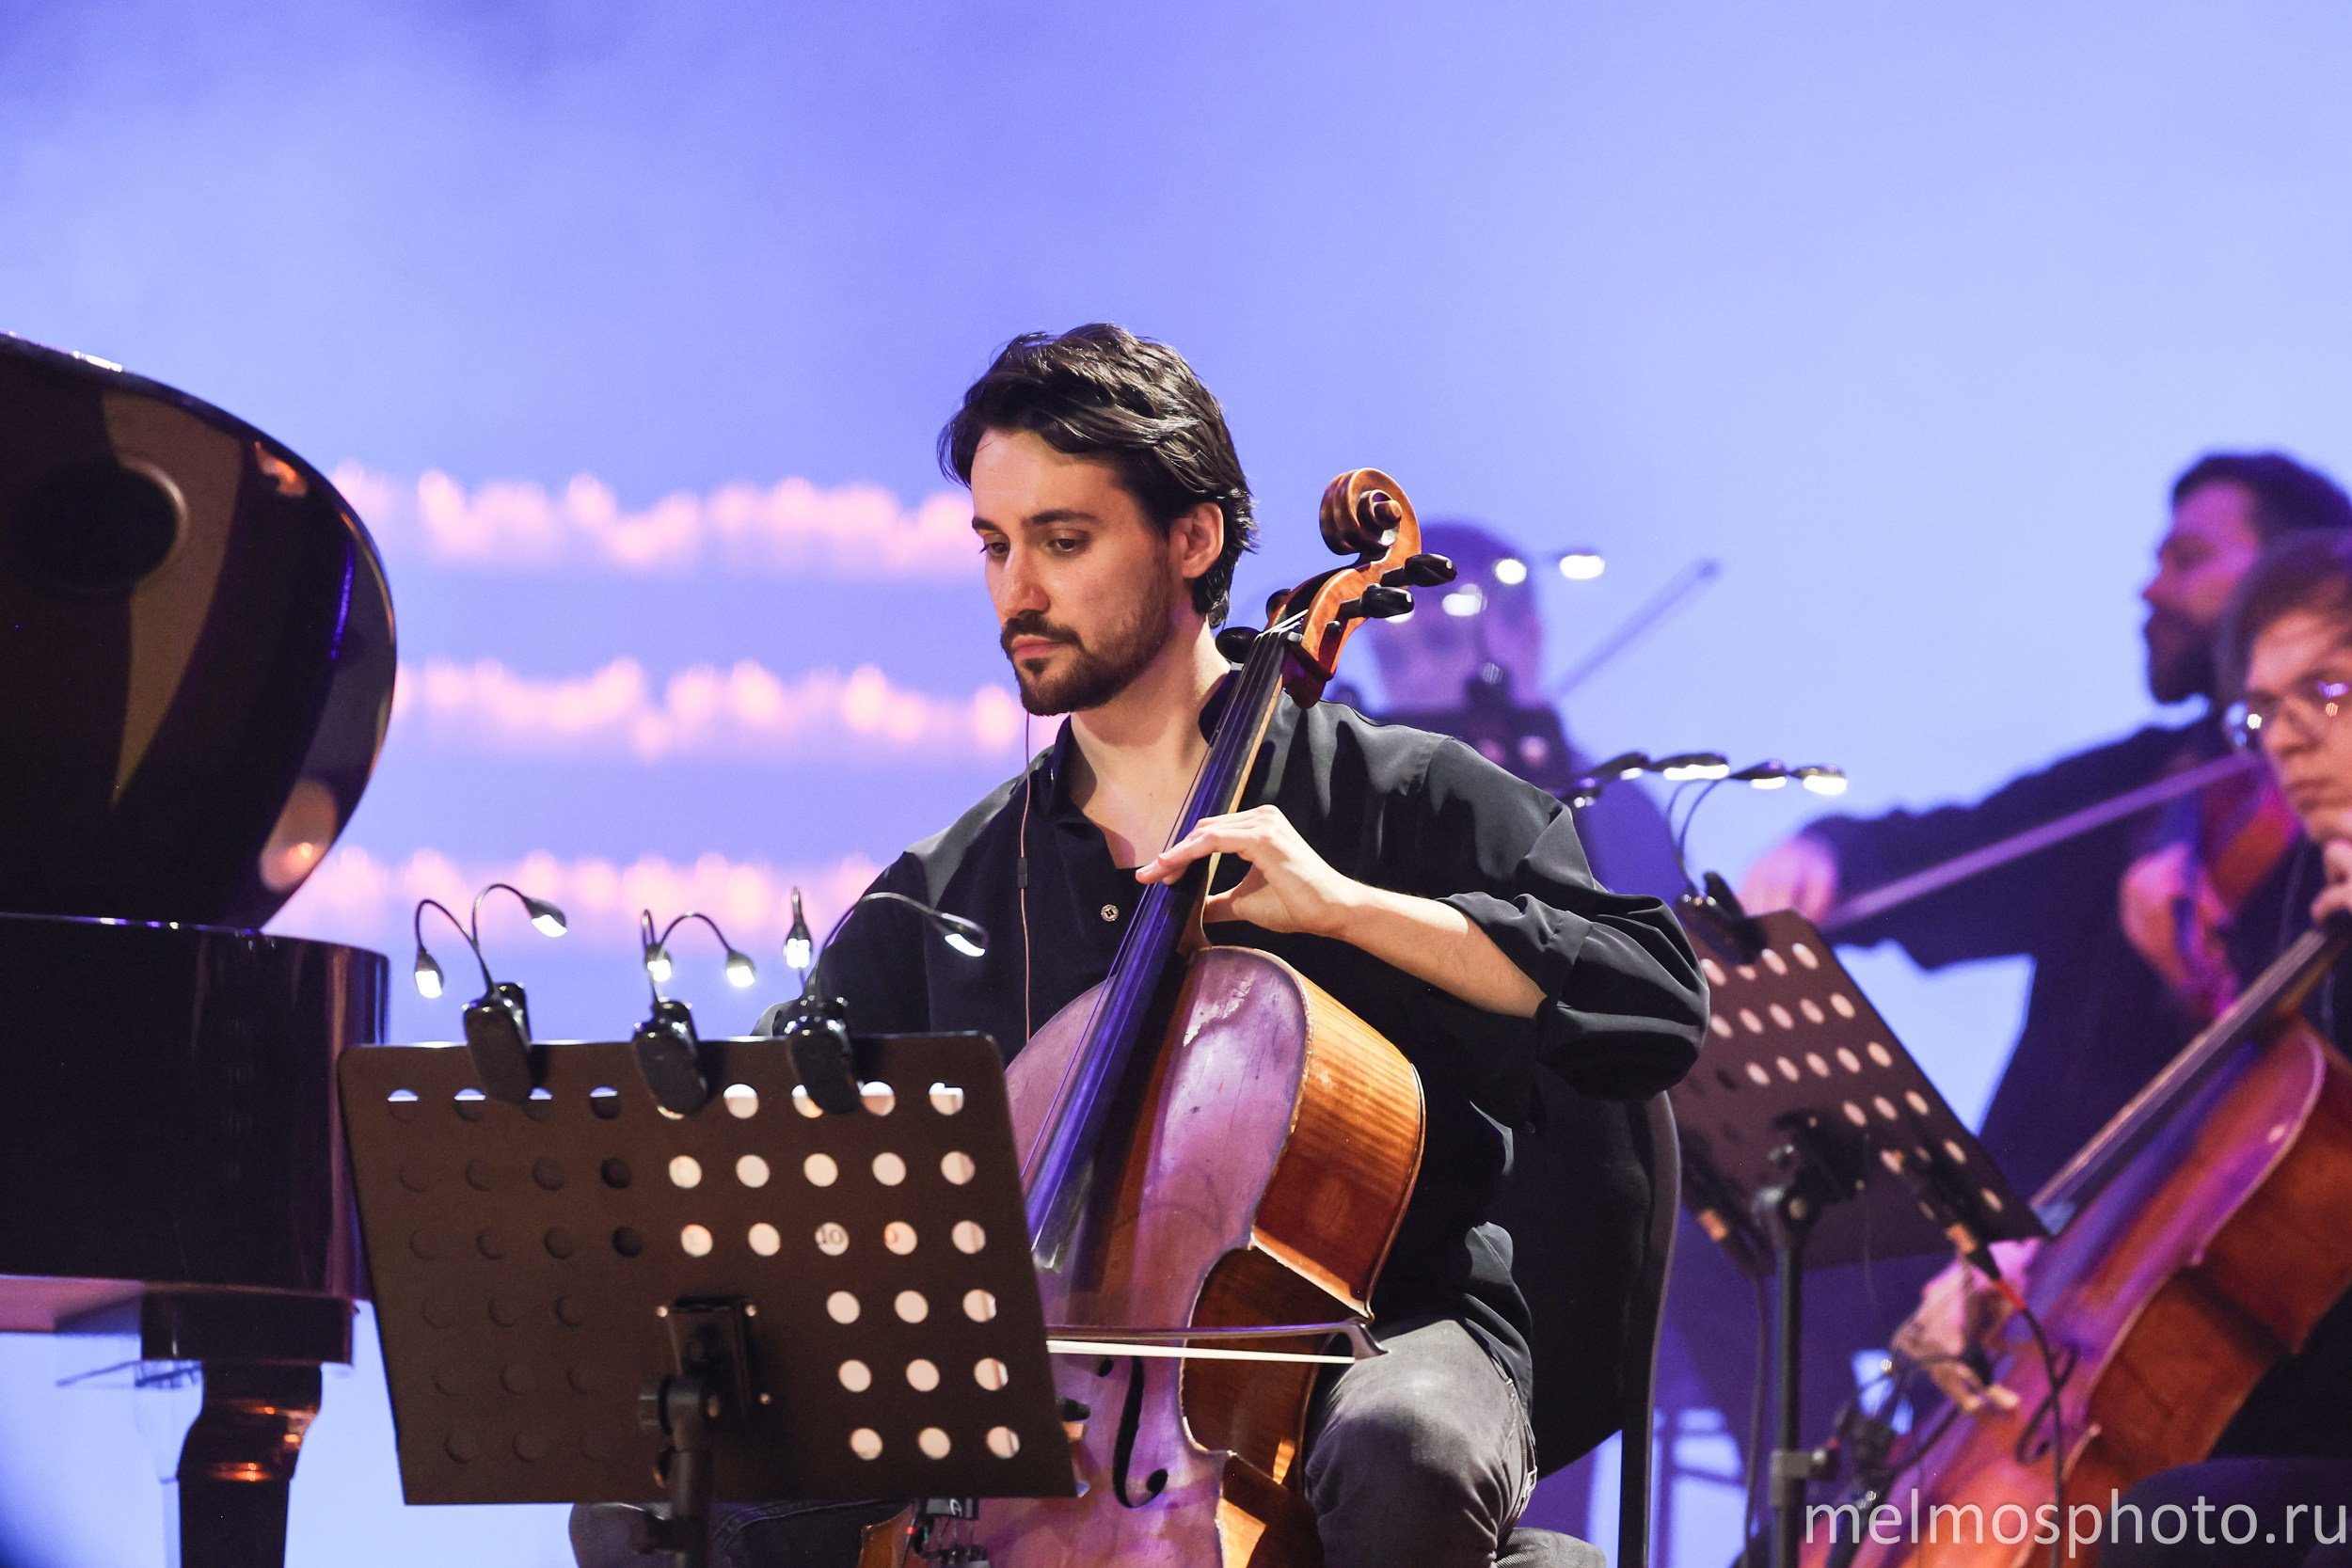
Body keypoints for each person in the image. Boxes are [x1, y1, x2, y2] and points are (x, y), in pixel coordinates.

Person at [579, 325, 1709, 1568]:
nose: (1019, 588)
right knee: (648, 1506)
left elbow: (1652, 995)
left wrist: (1343, 905)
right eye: (995, 546)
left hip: (1379, 1336)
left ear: (1193, 539)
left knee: (1409, 1448)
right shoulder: (940, 892)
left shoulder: (1400, 795)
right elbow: (798, 1171)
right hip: (1043, 1385)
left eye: (1063, 540)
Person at [1904, 528, 2352, 1566]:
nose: (2285, 737)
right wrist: (2022, 1256)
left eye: (2324, 692)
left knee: (2161, 1529)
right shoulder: (2305, 930)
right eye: (2261, 710)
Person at [1742, 452, 2352, 1200]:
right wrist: (1831, 851)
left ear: (2290, 572)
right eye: (2259, 714)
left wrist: (2209, 986)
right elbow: (1961, 854)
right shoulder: (2146, 778)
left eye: (2188, 559)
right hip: (2009, 1245)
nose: (2151, 587)